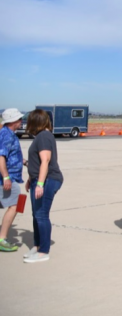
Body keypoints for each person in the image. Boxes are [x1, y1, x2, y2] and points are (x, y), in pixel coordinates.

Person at [22, 109, 64, 263]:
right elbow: (37, 163)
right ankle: (38, 245)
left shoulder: (44, 136)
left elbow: (45, 161)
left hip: (48, 180)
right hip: (38, 179)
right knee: (36, 215)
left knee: (41, 215)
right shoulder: (41, 136)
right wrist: (31, 178)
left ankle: (44, 251)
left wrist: (40, 184)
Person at [0, 108, 25, 252]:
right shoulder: (6, 135)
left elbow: (10, 156)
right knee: (15, 205)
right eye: (19, 119)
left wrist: (25, 161)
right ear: (13, 121)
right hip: (8, 178)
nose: (21, 121)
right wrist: (6, 177)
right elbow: (1, 156)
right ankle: (2, 238)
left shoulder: (9, 134)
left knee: (15, 204)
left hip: (12, 177)